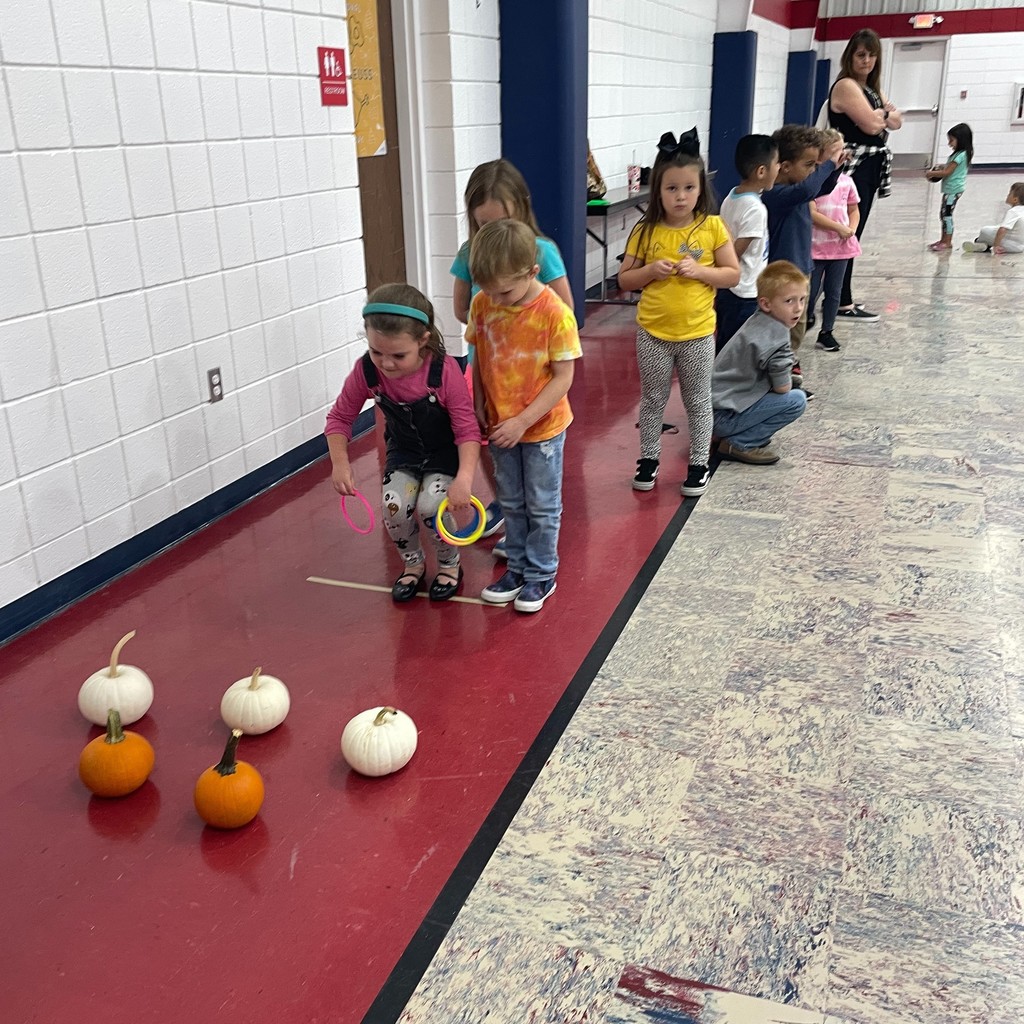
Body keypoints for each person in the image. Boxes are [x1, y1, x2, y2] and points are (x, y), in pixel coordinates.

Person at [325, 283, 481, 604]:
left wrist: (464, 477)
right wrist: (340, 463)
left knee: (429, 507)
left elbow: (466, 429)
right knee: (394, 508)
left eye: (398, 355)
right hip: (405, 453)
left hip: (444, 453)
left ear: (423, 341)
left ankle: (449, 565)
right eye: (376, 352)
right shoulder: (367, 372)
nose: (387, 364)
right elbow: (339, 419)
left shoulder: (442, 371)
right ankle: (413, 564)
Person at [451, 159, 575, 552]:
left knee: (536, 464)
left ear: (520, 208)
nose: (491, 232)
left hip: (532, 370)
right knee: (494, 443)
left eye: (499, 220)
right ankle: (506, 506)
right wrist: (492, 308)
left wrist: (519, 317)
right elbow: (460, 308)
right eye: (482, 224)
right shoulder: (473, 253)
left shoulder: (540, 250)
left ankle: (533, 537)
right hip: (486, 361)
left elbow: (564, 311)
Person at [617, 128, 739, 497]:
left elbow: (733, 273)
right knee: (652, 399)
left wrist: (701, 272)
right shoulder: (645, 229)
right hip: (653, 333)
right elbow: (624, 279)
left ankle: (699, 463)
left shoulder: (713, 227)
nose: (680, 196)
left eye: (688, 188)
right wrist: (650, 272)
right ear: (658, 191)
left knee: (698, 400)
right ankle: (648, 459)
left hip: (697, 334)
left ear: (700, 188)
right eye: (672, 189)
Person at [467, 219, 581, 614]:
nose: (495, 298)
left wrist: (523, 421)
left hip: (542, 428)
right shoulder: (483, 303)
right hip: (501, 424)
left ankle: (541, 573)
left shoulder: (554, 313)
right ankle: (516, 567)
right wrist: (479, 399)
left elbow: (564, 377)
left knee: (542, 503)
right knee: (511, 501)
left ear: (532, 273)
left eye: (505, 290)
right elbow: (480, 352)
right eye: (487, 289)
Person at [762, 125, 845, 396]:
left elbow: (821, 187)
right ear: (784, 166)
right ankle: (777, 381)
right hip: (782, 275)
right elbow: (810, 187)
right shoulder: (777, 194)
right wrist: (827, 163)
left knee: (796, 329)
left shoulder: (800, 188)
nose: (813, 170)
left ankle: (787, 373)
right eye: (809, 164)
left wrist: (836, 167)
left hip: (801, 270)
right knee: (780, 331)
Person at [827, 28, 902, 322]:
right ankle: (841, 301)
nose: (867, 60)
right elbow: (873, 126)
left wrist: (883, 115)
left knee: (853, 232)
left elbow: (897, 121)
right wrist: (884, 114)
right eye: (861, 54)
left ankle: (839, 295)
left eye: (872, 55)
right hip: (851, 166)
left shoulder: (870, 88)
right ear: (850, 56)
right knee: (847, 231)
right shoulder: (846, 85)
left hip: (870, 166)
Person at [713, 261, 808, 466]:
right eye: (789, 301)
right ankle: (739, 443)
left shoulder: (757, 320)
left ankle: (736, 434)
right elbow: (782, 388)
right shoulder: (778, 338)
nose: (798, 308)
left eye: (802, 299)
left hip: (709, 410)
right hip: (723, 417)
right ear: (766, 304)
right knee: (797, 399)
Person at [716, 134, 780, 353]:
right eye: (776, 163)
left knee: (727, 343)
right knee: (735, 350)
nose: (779, 168)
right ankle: (725, 385)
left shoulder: (732, 195)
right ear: (761, 171)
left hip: (731, 289)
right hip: (743, 293)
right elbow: (734, 253)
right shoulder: (755, 209)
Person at [809, 129, 862, 352]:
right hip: (816, 246)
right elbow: (811, 212)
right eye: (837, 151)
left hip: (840, 247)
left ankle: (827, 331)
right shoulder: (814, 183)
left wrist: (850, 229)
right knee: (811, 291)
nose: (844, 155)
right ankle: (806, 319)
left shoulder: (847, 182)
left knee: (834, 290)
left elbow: (854, 209)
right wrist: (838, 228)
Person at [925, 123, 973, 251]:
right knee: (943, 214)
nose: (949, 143)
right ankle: (943, 239)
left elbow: (947, 172)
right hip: (950, 189)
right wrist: (941, 167)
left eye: (951, 140)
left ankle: (947, 241)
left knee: (947, 215)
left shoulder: (961, 155)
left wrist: (931, 173)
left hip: (953, 190)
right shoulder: (958, 155)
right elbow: (948, 168)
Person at [963, 182, 1024, 254]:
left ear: (1015, 200)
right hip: (1020, 247)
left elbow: (1002, 229)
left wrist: (996, 245)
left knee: (985, 230)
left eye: (1009, 194)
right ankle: (985, 246)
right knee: (997, 227)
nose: (1007, 195)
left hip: (1009, 245)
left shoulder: (1013, 211)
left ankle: (981, 243)